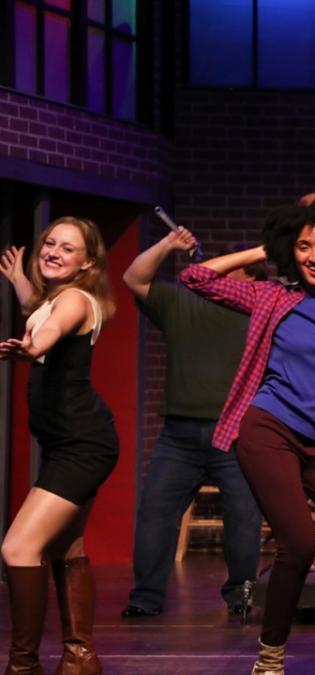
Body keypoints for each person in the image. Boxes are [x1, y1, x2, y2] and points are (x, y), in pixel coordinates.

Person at [179, 198, 315, 675]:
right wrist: (263, 250)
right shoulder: (272, 296)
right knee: (298, 545)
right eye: (303, 247)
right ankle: (269, 662)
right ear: (290, 249)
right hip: (271, 430)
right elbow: (195, 277)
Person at [120, 233, 267, 619]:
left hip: (235, 433)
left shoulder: (260, 309)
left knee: (243, 516)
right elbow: (133, 278)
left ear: (252, 276)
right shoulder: (181, 301)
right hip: (179, 435)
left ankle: (240, 595)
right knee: (156, 512)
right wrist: (168, 244)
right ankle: (145, 597)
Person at [0, 217, 119, 675]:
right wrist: (20, 283)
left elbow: (51, 328)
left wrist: (33, 348)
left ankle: (23, 666)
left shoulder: (73, 299)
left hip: (81, 445)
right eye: (49, 243)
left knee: (18, 548)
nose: (53, 251)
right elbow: (41, 313)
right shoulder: (57, 298)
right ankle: (79, 656)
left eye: (68, 248)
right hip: (69, 442)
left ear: (87, 262)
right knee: (66, 545)